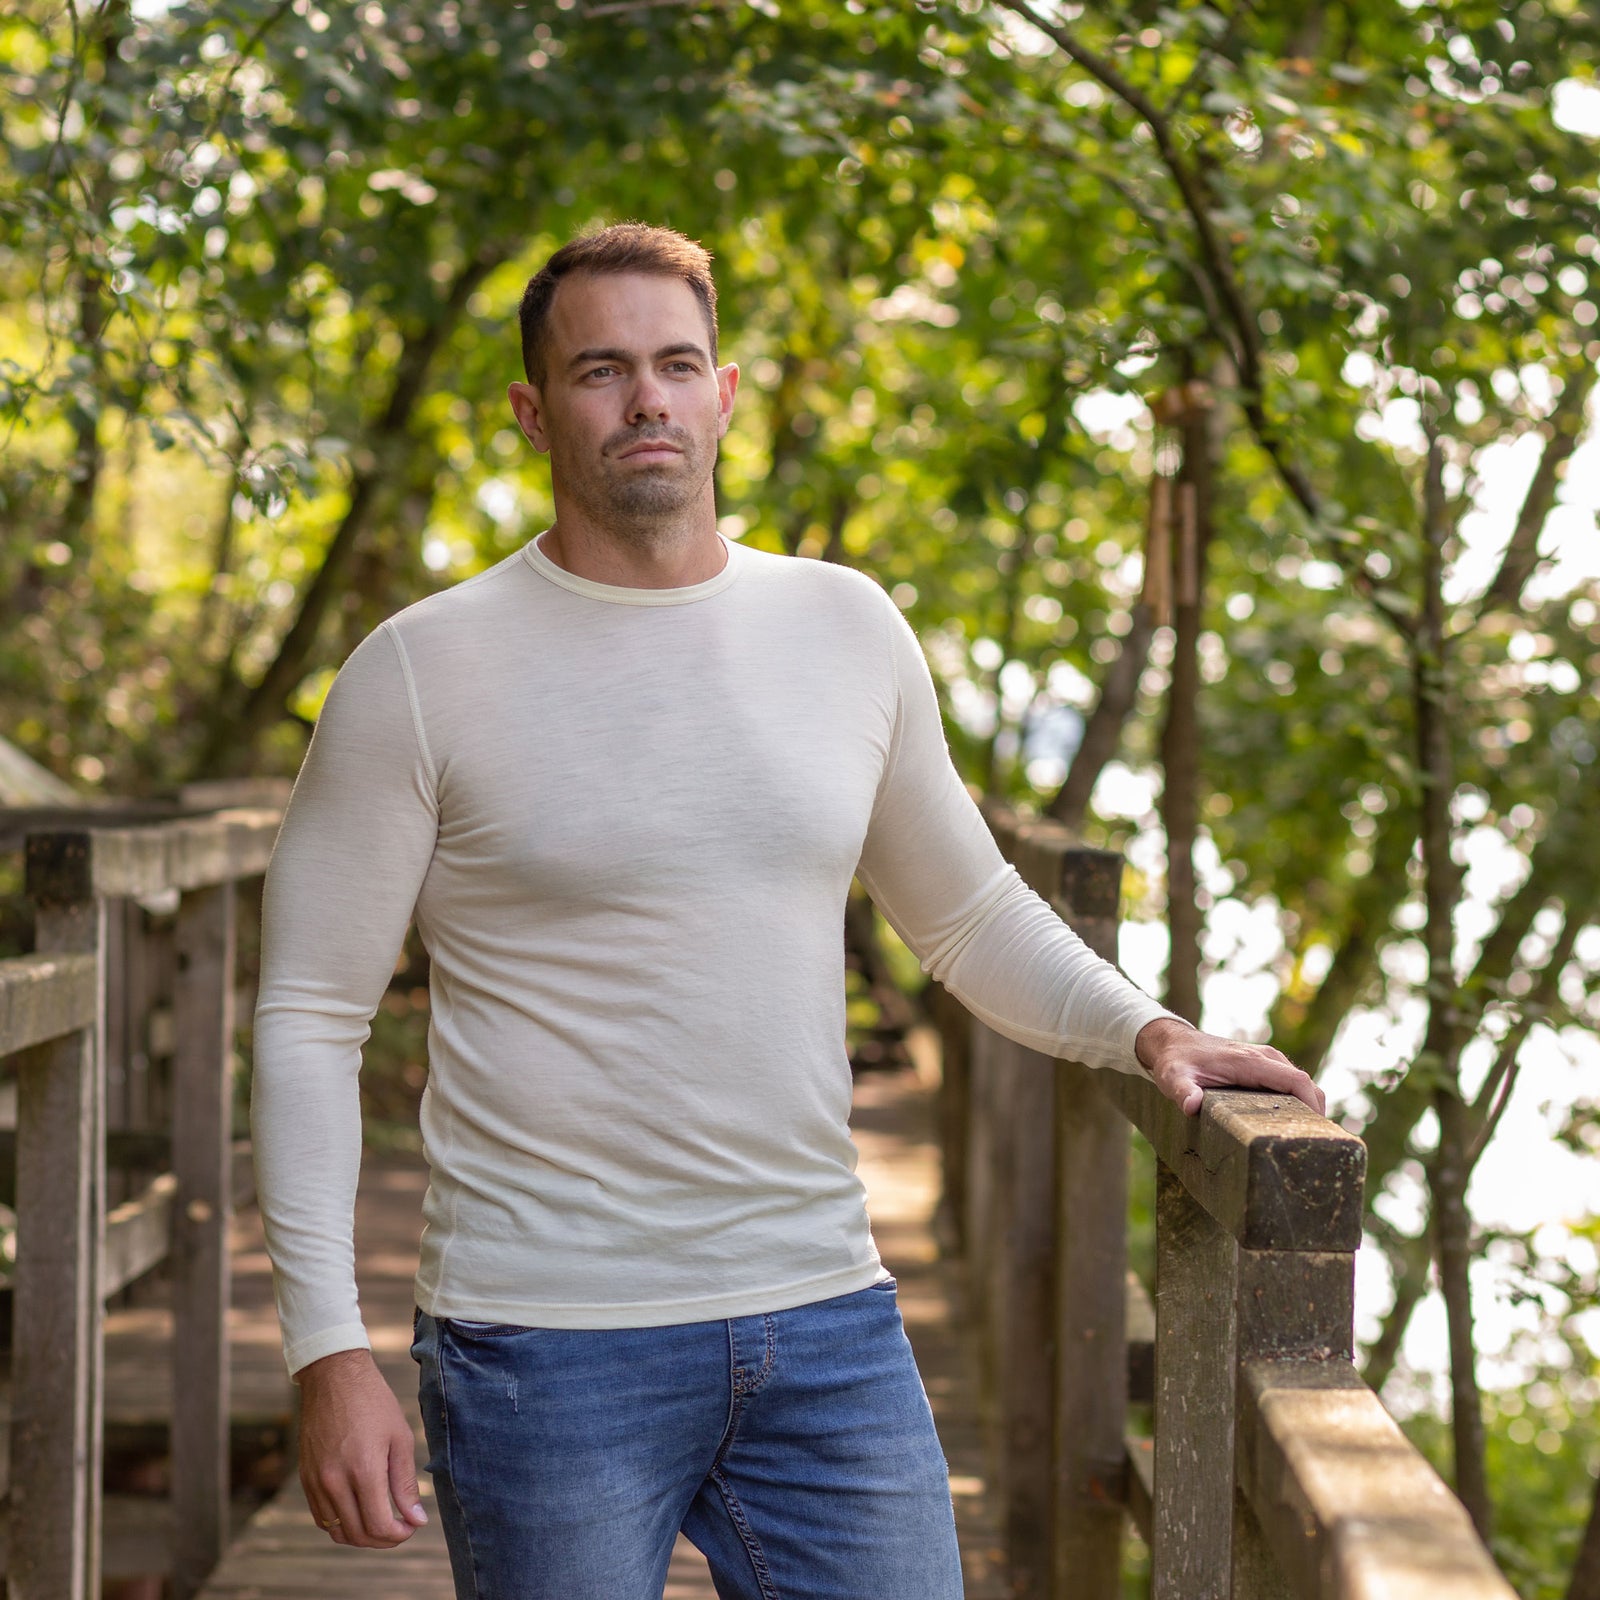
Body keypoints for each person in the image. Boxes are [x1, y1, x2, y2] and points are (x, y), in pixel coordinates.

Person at [251, 222, 1324, 1600]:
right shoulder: (420, 671)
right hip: (544, 1339)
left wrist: (1144, 1032)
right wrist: (326, 1348)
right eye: (600, 370)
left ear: (725, 393)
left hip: (826, 1319)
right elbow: (309, 1020)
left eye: (676, 363)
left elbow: (967, 914)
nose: (646, 399)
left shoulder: (845, 628)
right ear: (533, 409)